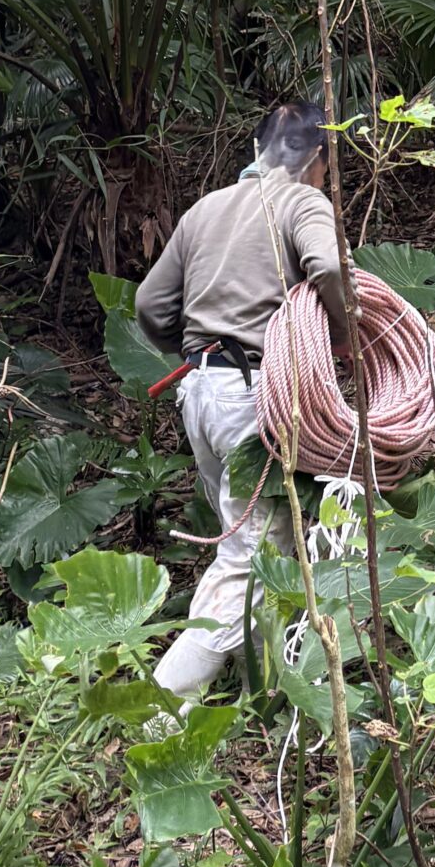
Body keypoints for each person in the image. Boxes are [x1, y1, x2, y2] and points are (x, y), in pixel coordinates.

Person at [136, 100, 351, 697]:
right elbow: (330, 269)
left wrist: (195, 346)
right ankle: (158, 705)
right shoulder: (301, 201)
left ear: (257, 148)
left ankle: (265, 691)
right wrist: (345, 339)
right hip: (254, 397)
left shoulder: (204, 210)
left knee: (250, 542)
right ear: (318, 156)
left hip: (201, 393)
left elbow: (149, 305)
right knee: (251, 555)